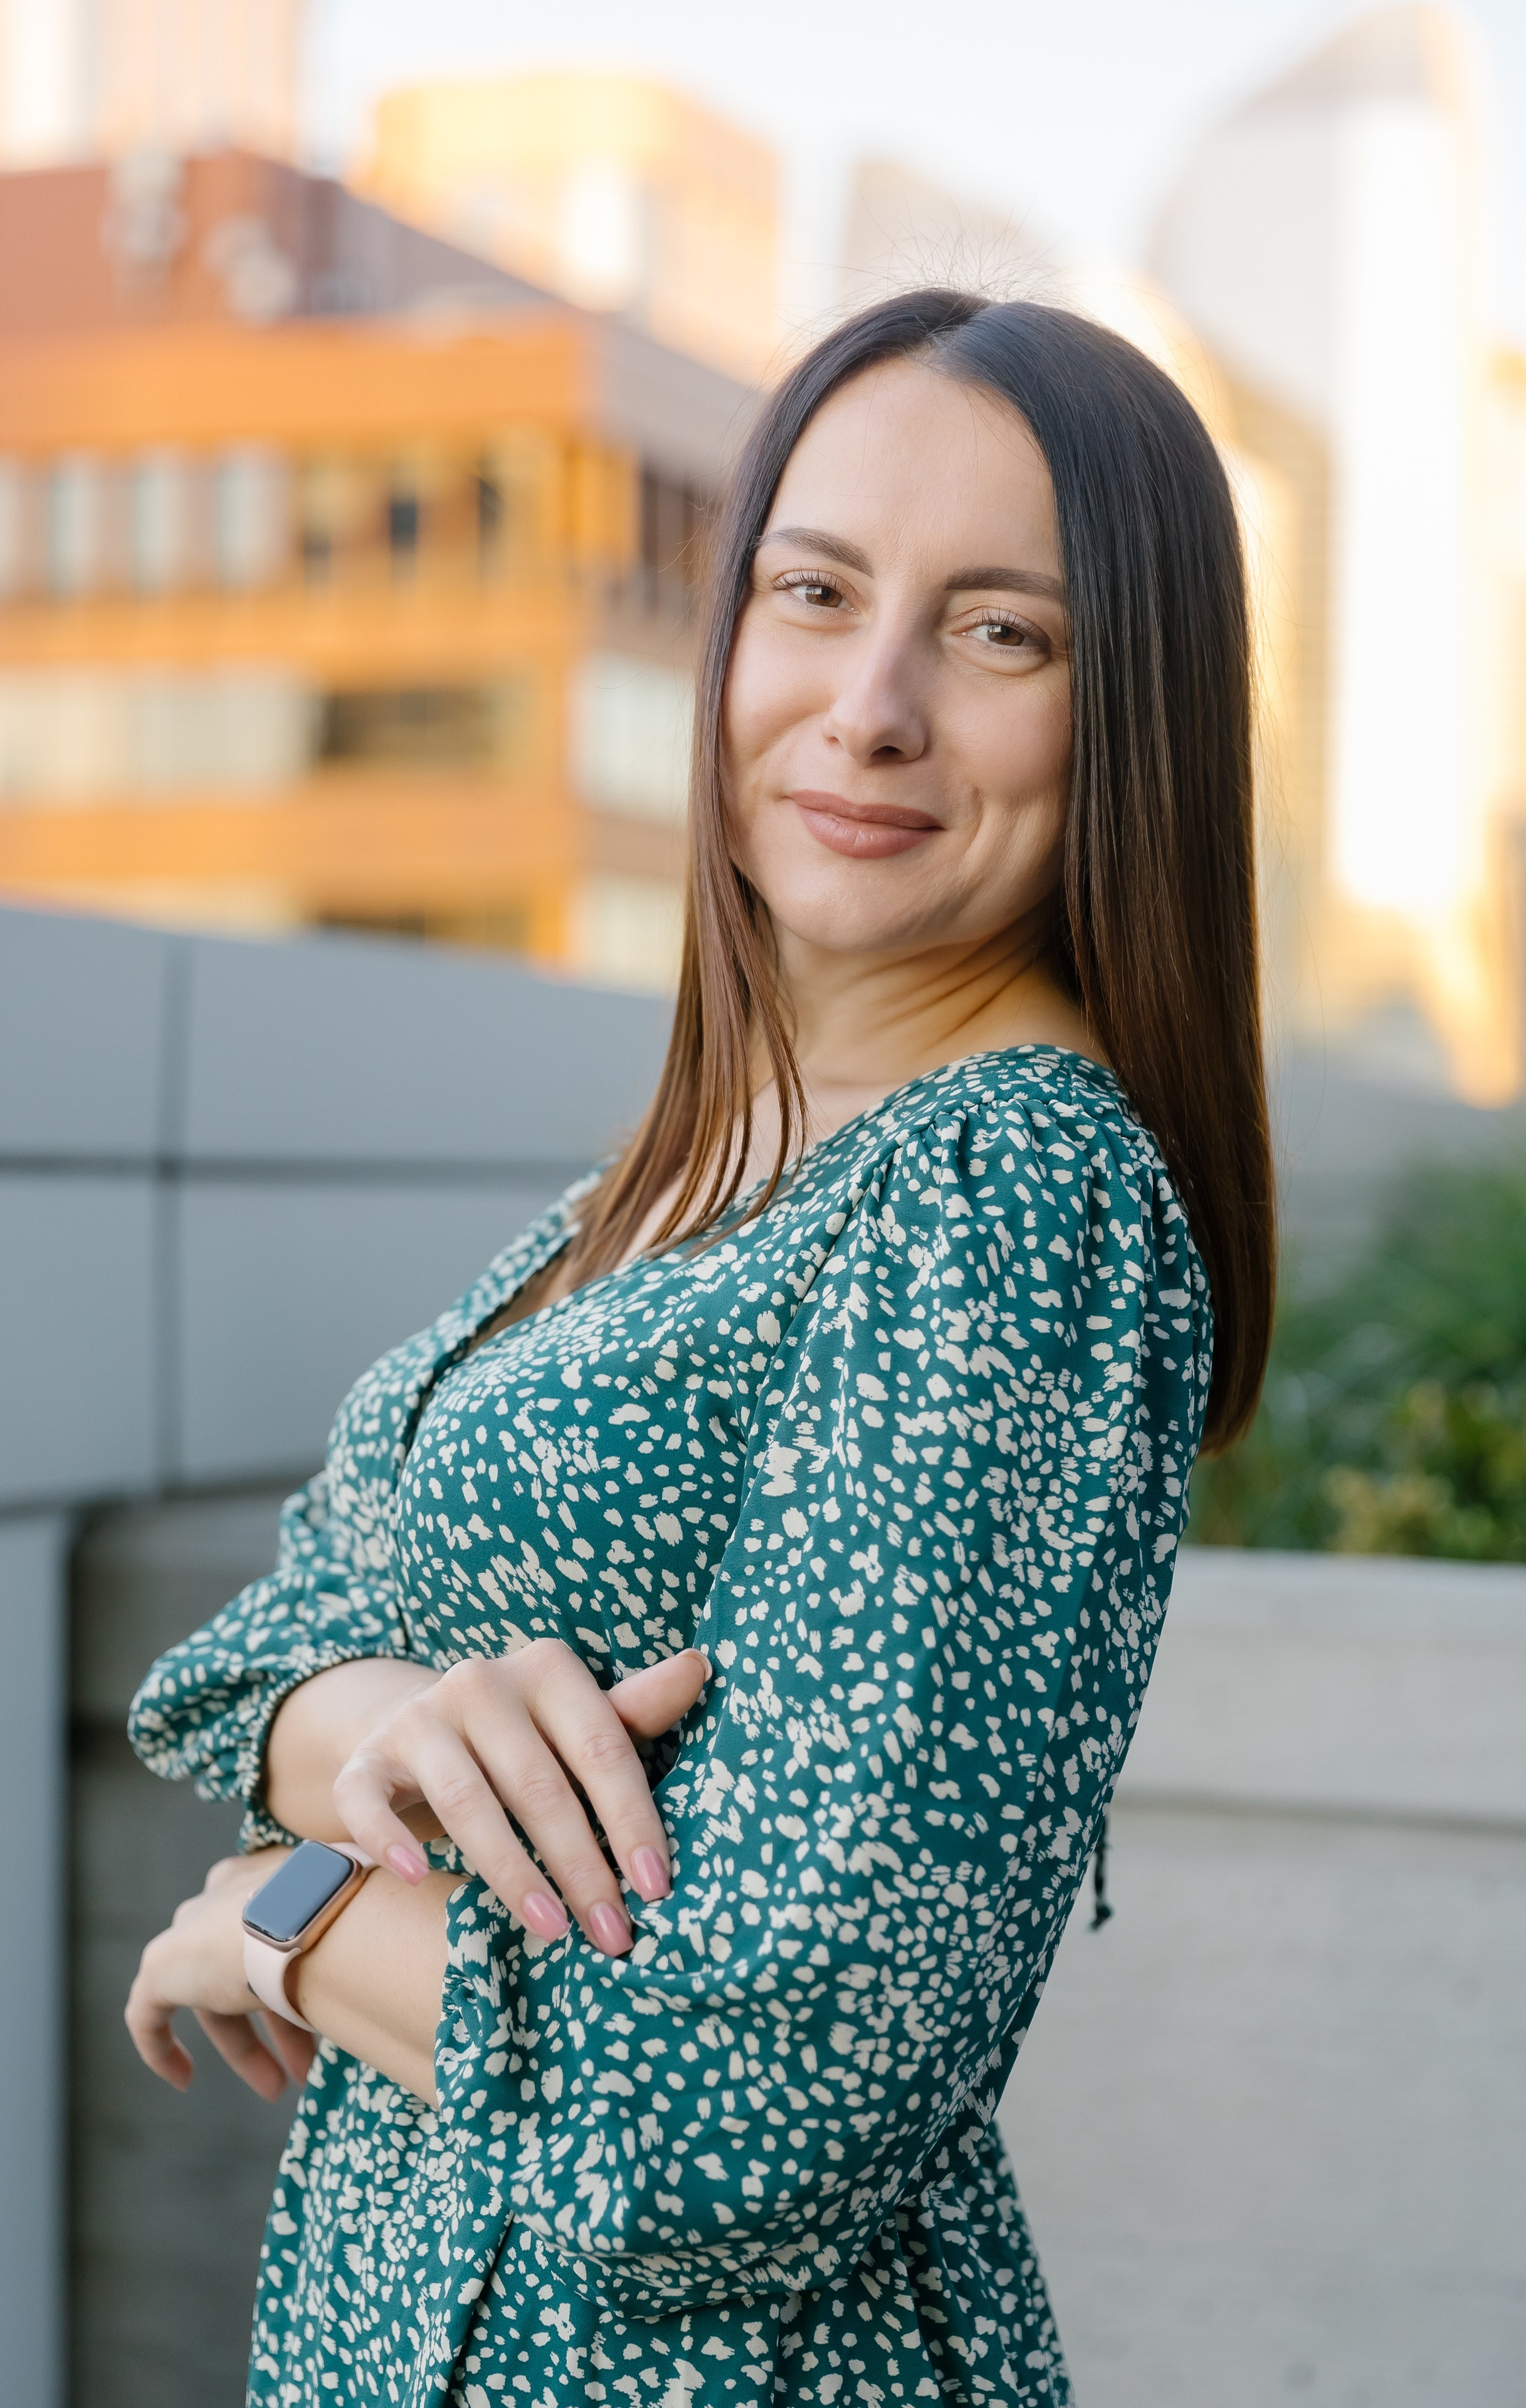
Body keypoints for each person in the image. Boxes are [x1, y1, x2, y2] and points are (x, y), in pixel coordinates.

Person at [125, 288, 1275, 2408]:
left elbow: (733, 2129)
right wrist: (375, 1719)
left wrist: (282, 1913)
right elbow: (253, 1644)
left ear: (1136, 716)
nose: (868, 705)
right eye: (813, 593)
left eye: (1000, 633)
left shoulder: (1006, 1198)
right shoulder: (701, 1163)